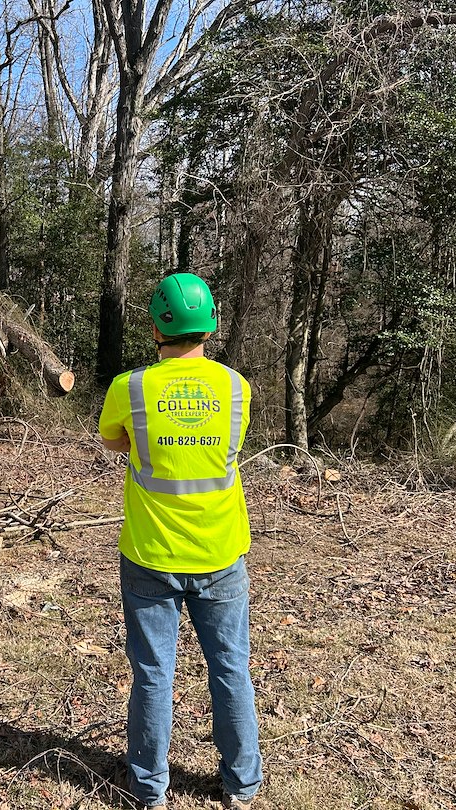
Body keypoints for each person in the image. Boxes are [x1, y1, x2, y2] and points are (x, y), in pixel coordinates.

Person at [98, 273, 262, 810]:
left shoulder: (130, 388)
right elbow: (227, 448)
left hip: (150, 555)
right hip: (221, 553)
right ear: (210, 326)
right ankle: (241, 786)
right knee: (231, 669)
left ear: (155, 328)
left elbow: (114, 439)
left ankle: (150, 792)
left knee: (152, 675)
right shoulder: (236, 388)